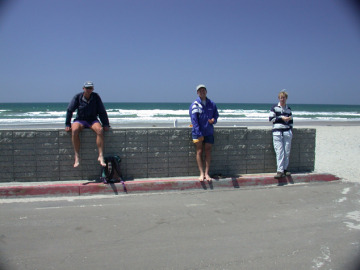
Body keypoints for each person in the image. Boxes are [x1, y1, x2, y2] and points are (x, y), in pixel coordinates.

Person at [65, 81, 110, 168]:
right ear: (83, 88)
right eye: (87, 88)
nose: (89, 90)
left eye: (90, 88)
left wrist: (105, 124)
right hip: (80, 120)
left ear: (92, 89)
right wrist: (67, 124)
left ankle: (100, 155)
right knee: (74, 130)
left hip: (92, 120)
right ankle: (77, 156)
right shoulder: (77, 97)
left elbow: (102, 111)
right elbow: (70, 110)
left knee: (100, 130)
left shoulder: (96, 97)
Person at [189, 84, 219, 181]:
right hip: (198, 132)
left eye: (203, 90)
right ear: (197, 93)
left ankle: (207, 173)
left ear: (206, 91)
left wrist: (213, 120)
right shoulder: (194, 104)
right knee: (199, 151)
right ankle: (201, 173)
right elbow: (194, 120)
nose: (202, 92)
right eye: (200, 91)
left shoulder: (212, 104)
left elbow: (216, 115)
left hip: (209, 131)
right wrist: (198, 133)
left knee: (208, 151)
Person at [269, 90, 293, 178]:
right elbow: (271, 119)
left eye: (283, 97)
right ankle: (280, 171)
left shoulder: (288, 108)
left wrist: (290, 129)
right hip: (277, 132)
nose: (282, 99)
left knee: (287, 152)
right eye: (280, 98)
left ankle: (285, 169)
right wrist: (281, 118)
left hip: (287, 132)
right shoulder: (274, 108)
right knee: (279, 152)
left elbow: (291, 121)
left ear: (286, 98)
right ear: (278, 98)